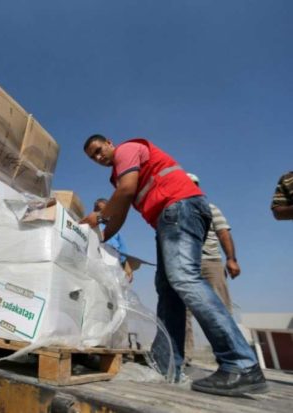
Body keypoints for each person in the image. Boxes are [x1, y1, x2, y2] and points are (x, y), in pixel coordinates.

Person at [81, 134, 266, 396]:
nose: (98, 158)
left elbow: (126, 191)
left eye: (99, 150)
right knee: (168, 291)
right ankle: (168, 365)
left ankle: (240, 364)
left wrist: (98, 215)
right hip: (169, 218)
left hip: (178, 209)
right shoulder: (119, 175)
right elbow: (119, 212)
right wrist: (97, 240)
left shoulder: (127, 150)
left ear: (109, 143)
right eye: (93, 157)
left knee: (184, 278)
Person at [184, 173, 239, 362]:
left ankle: (232, 356)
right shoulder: (177, 210)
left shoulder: (211, 208)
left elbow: (224, 233)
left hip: (210, 263)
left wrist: (231, 259)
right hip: (185, 264)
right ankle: (185, 356)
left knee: (221, 308)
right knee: (183, 310)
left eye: (193, 185)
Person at [93, 198, 134, 282]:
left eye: (106, 211)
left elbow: (123, 253)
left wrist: (128, 269)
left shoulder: (115, 231)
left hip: (115, 267)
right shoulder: (91, 226)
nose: (103, 214)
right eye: (99, 210)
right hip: (96, 265)